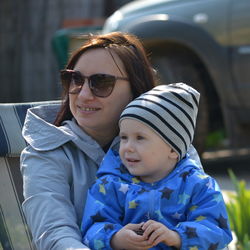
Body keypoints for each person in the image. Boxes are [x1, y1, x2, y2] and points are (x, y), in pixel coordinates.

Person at [20, 32, 202, 250]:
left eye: (101, 82)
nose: (84, 94)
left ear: (136, 89)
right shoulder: (46, 154)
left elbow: (203, 219)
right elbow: (54, 235)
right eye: (76, 79)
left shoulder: (169, 144)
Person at [81, 83, 232, 250]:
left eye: (140, 138)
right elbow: (91, 229)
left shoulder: (199, 186)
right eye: (124, 137)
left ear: (173, 150)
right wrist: (116, 238)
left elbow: (217, 232)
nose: (127, 147)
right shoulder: (110, 185)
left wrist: (175, 237)